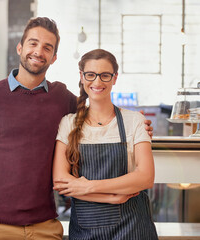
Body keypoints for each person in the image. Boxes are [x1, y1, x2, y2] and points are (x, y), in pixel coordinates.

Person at [0, 18, 153, 240]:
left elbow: (97, 109)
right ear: (20, 47)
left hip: (45, 226)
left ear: (54, 57)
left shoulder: (62, 99)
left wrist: (136, 125)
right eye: (33, 43)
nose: (39, 51)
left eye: (47, 47)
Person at [53, 49, 158, 239]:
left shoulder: (134, 121)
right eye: (91, 75)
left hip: (133, 228)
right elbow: (60, 182)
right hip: (86, 230)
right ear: (82, 77)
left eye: (105, 75)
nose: (97, 82)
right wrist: (111, 197)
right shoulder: (68, 123)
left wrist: (87, 186)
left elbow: (145, 178)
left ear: (115, 78)